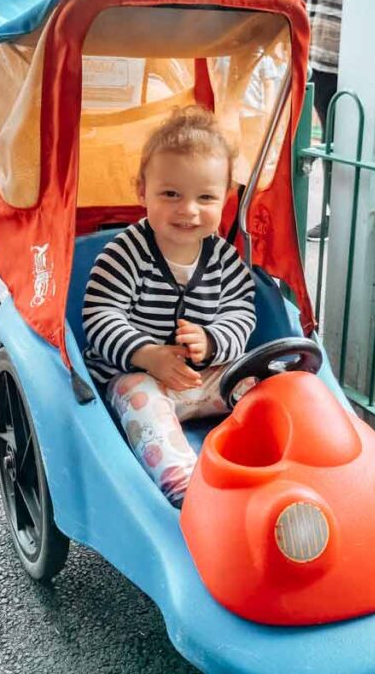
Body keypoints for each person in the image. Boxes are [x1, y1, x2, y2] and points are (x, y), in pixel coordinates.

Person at [82, 107, 256, 507]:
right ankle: (187, 488)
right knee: (136, 394)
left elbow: (241, 312)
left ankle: (268, 458)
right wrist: (148, 355)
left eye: (205, 197)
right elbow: (100, 314)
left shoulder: (225, 259)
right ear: (142, 190)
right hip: (140, 378)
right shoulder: (124, 253)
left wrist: (213, 343)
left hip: (204, 381)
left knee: (264, 381)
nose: (188, 210)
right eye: (171, 194)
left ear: (225, 198)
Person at [295, 0, 347, 241]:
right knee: (325, 141)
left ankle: (338, 216)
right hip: (311, 47)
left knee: (339, 141)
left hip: (343, 52)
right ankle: (332, 214)